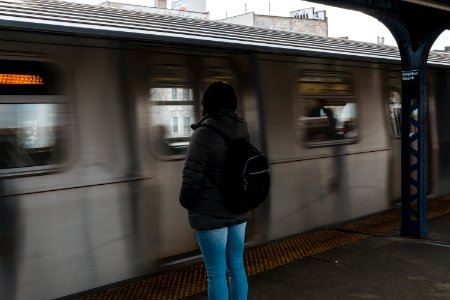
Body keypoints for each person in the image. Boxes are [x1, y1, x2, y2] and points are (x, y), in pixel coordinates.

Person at [179, 81, 250, 300]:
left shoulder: (204, 134)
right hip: (238, 209)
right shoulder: (242, 129)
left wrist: (186, 202)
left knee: (216, 272)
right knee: (237, 267)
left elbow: (192, 177)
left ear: (207, 103)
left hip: (210, 215)